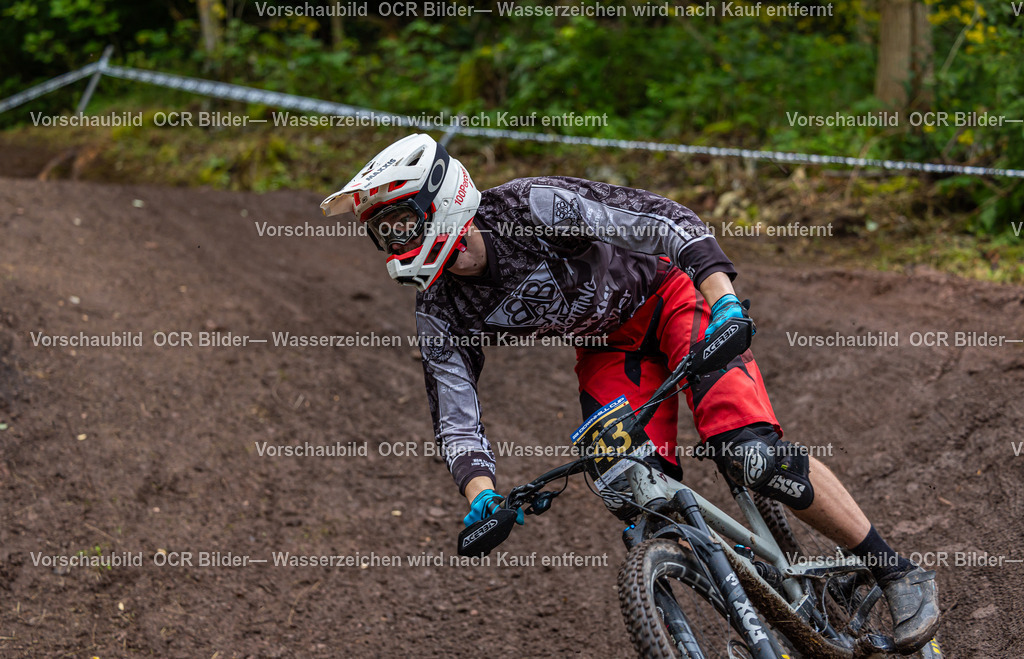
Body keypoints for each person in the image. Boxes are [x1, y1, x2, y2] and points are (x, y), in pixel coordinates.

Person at [320, 133, 940, 651]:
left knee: (750, 453)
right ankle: (747, 599)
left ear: (442, 200)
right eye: (384, 233)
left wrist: (724, 301)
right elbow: (455, 413)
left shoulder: (533, 207)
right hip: (610, 344)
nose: (395, 243)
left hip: (673, 295)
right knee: (633, 490)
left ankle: (897, 571)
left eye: (401, 223)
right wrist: (482, 494)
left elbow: (667, 222)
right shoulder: (440, 307)